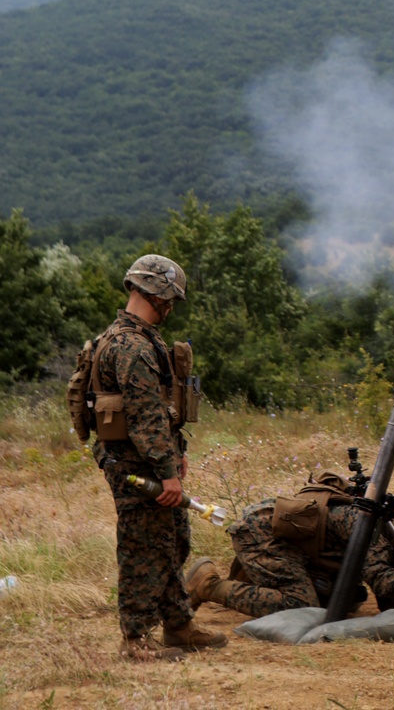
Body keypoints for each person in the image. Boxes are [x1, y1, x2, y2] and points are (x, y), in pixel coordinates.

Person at [91, 254, 225, 661]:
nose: (171, 308)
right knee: (143, 549)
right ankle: (135, 639)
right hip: (137, 467)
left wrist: (175, 456)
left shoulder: (128, 338)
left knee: (172, 542)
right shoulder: (133, 347)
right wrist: (167, 473)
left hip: (145, 461)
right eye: (170, 299)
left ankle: (178, 626)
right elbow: (146, 419)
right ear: (157, 295)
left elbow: (158, 414)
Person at [184, 474, 394, 620]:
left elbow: (386, 596)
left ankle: (253, 577)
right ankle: (208, 584)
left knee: (348, 598)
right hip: (261, 537)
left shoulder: (378, 524)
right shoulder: (370, 529)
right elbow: (384, 582)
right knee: (302, 606)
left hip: (281, 537)